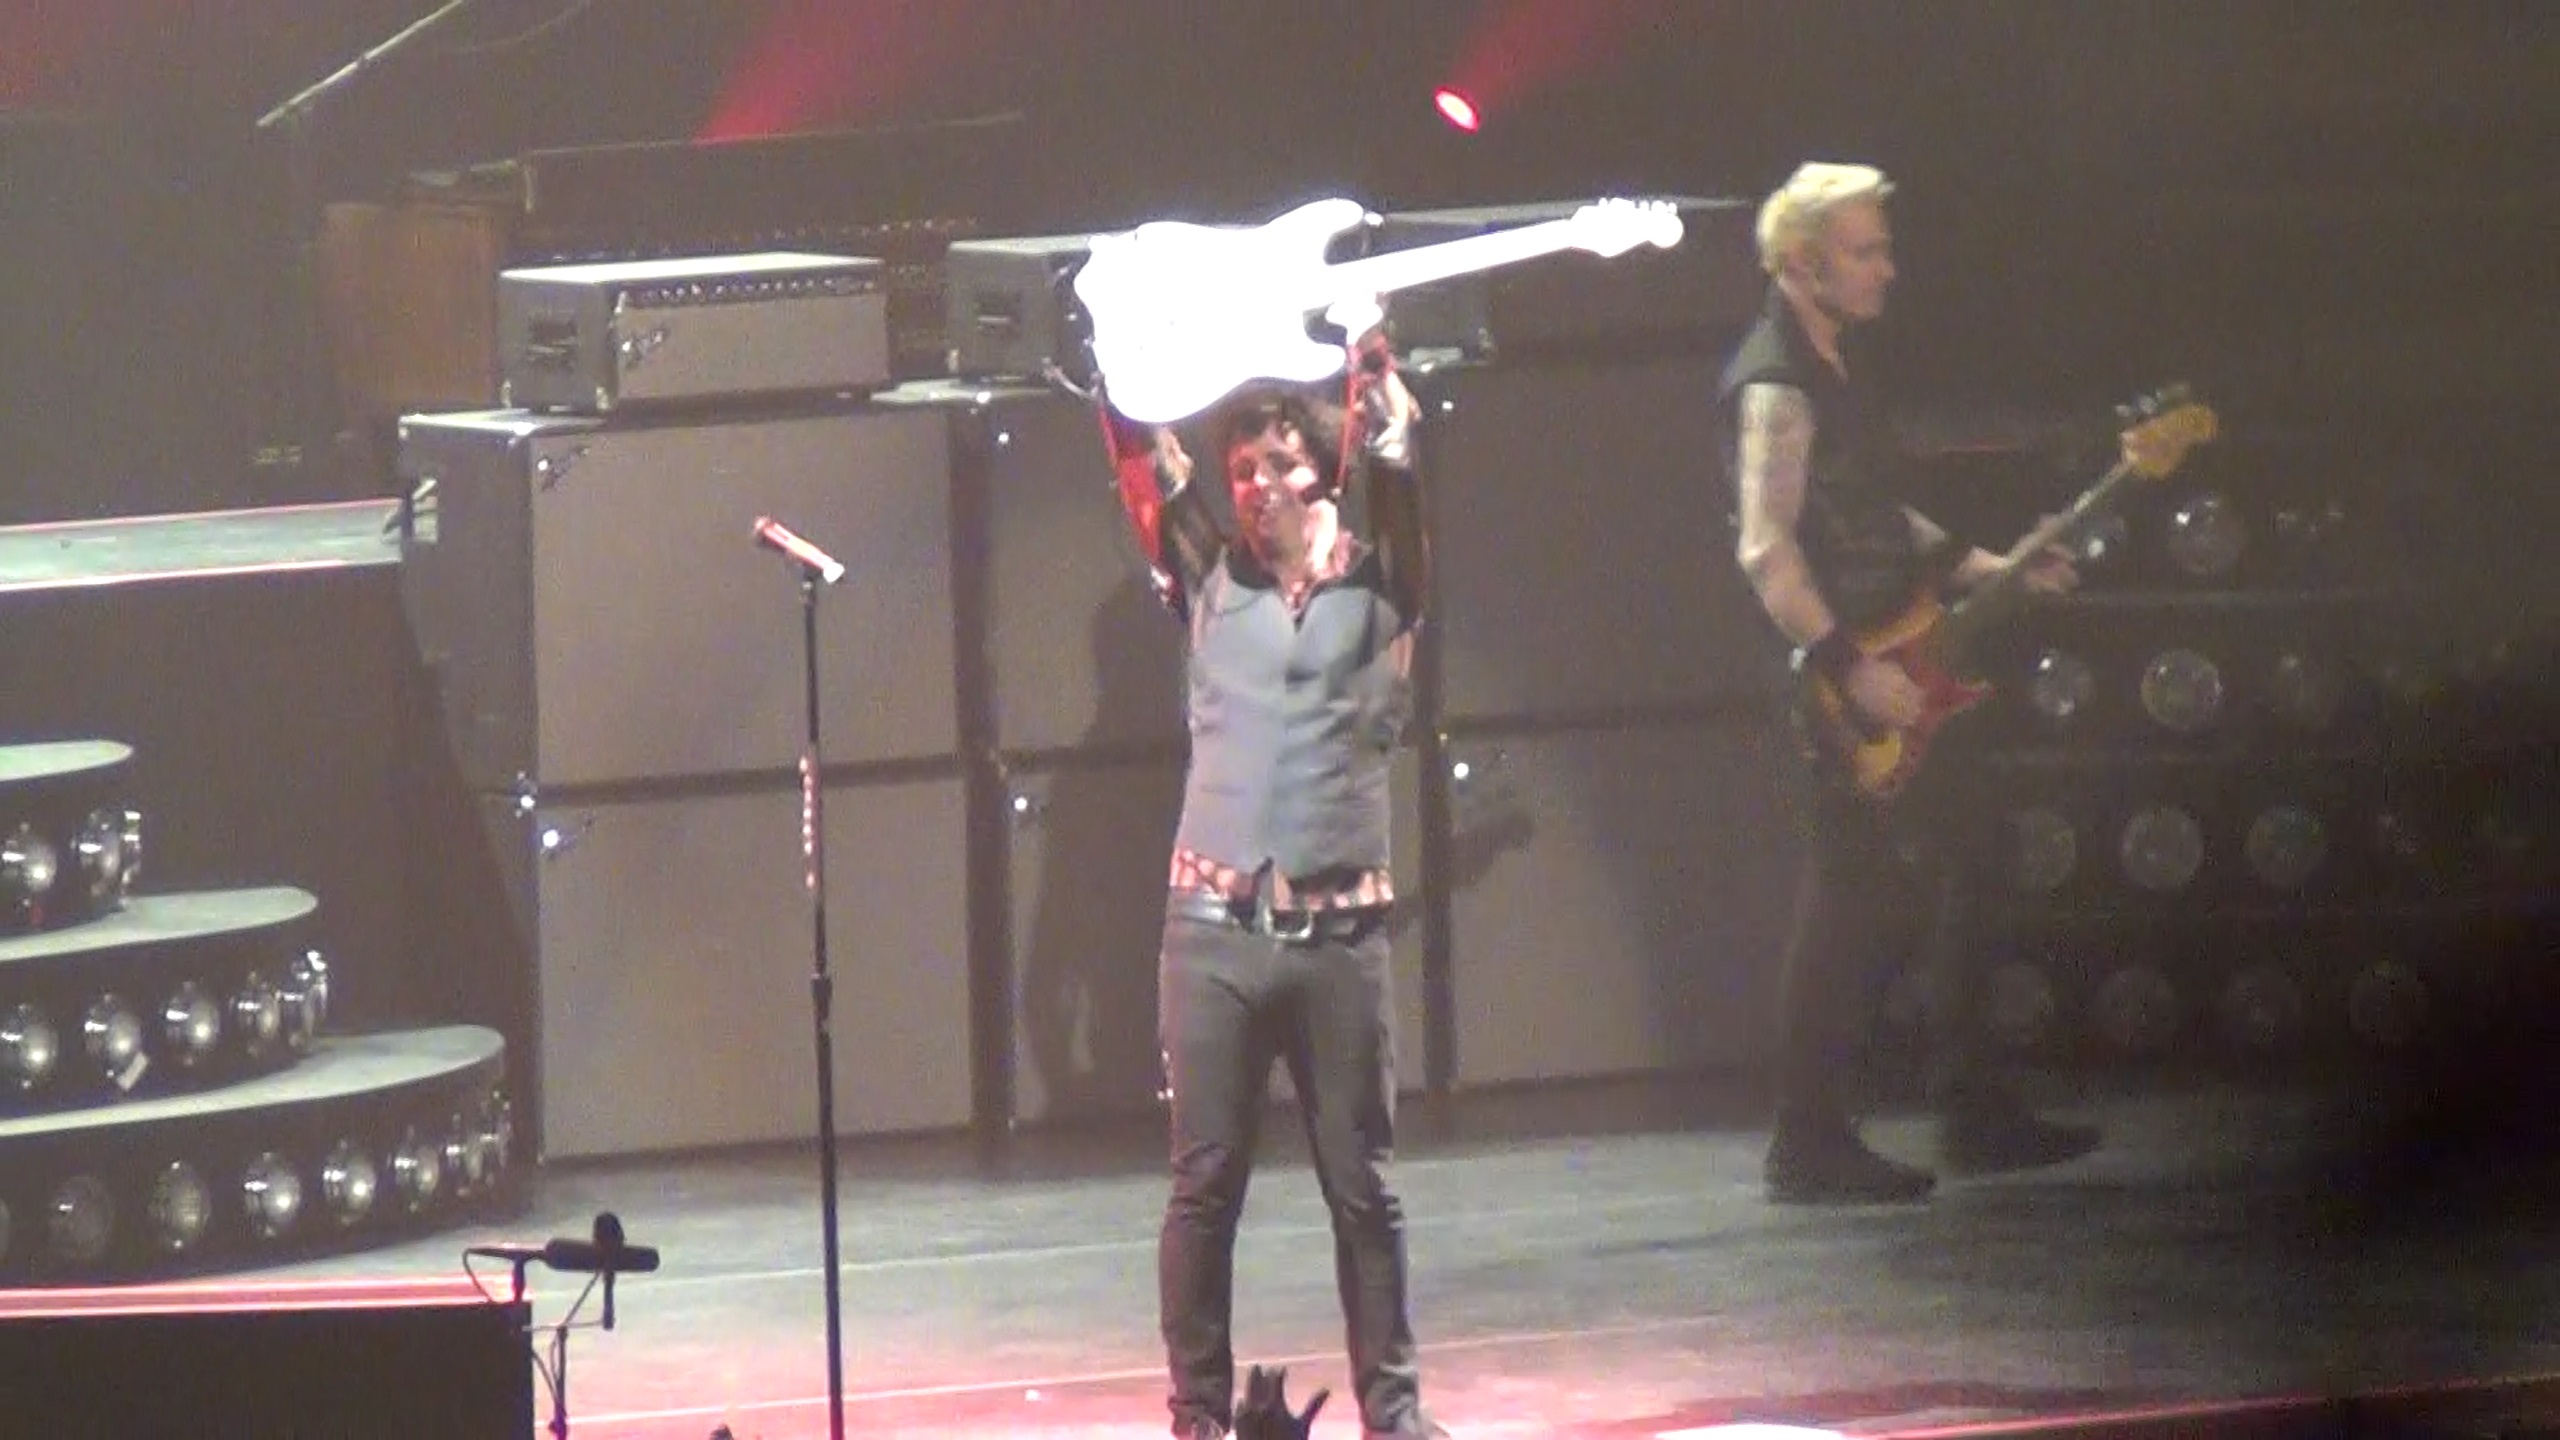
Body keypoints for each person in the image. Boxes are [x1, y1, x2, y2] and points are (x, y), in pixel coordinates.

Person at [1724, 161, 2105, 1204]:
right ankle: (1805, 1141)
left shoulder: (1838, 368)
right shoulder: (1777, 385)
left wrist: (1990, 567)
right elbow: (1766, 549)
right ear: (1801, 265)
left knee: (1972, 849)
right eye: (1865, 252)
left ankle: (1972, 1104)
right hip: (1843, 681)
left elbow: (1876, 513)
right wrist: (1849, 670)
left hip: (1901, 652)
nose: (1887, 270)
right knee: (1850, 894)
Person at [1097, 317, 1450, 1440]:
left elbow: (1395, 471)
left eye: (1279, 463)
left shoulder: (1385, 583)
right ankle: (1197, 1416)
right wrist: (1122, 345)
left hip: (1339, 945)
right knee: (1203, 1187)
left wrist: (1376, 387)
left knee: (1363, 1189)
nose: (1256, 486)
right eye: (1242, 469)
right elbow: (1141, 455)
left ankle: (1393, 1415)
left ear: (1320, 471)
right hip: (1213, 938)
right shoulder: (1208, 579)